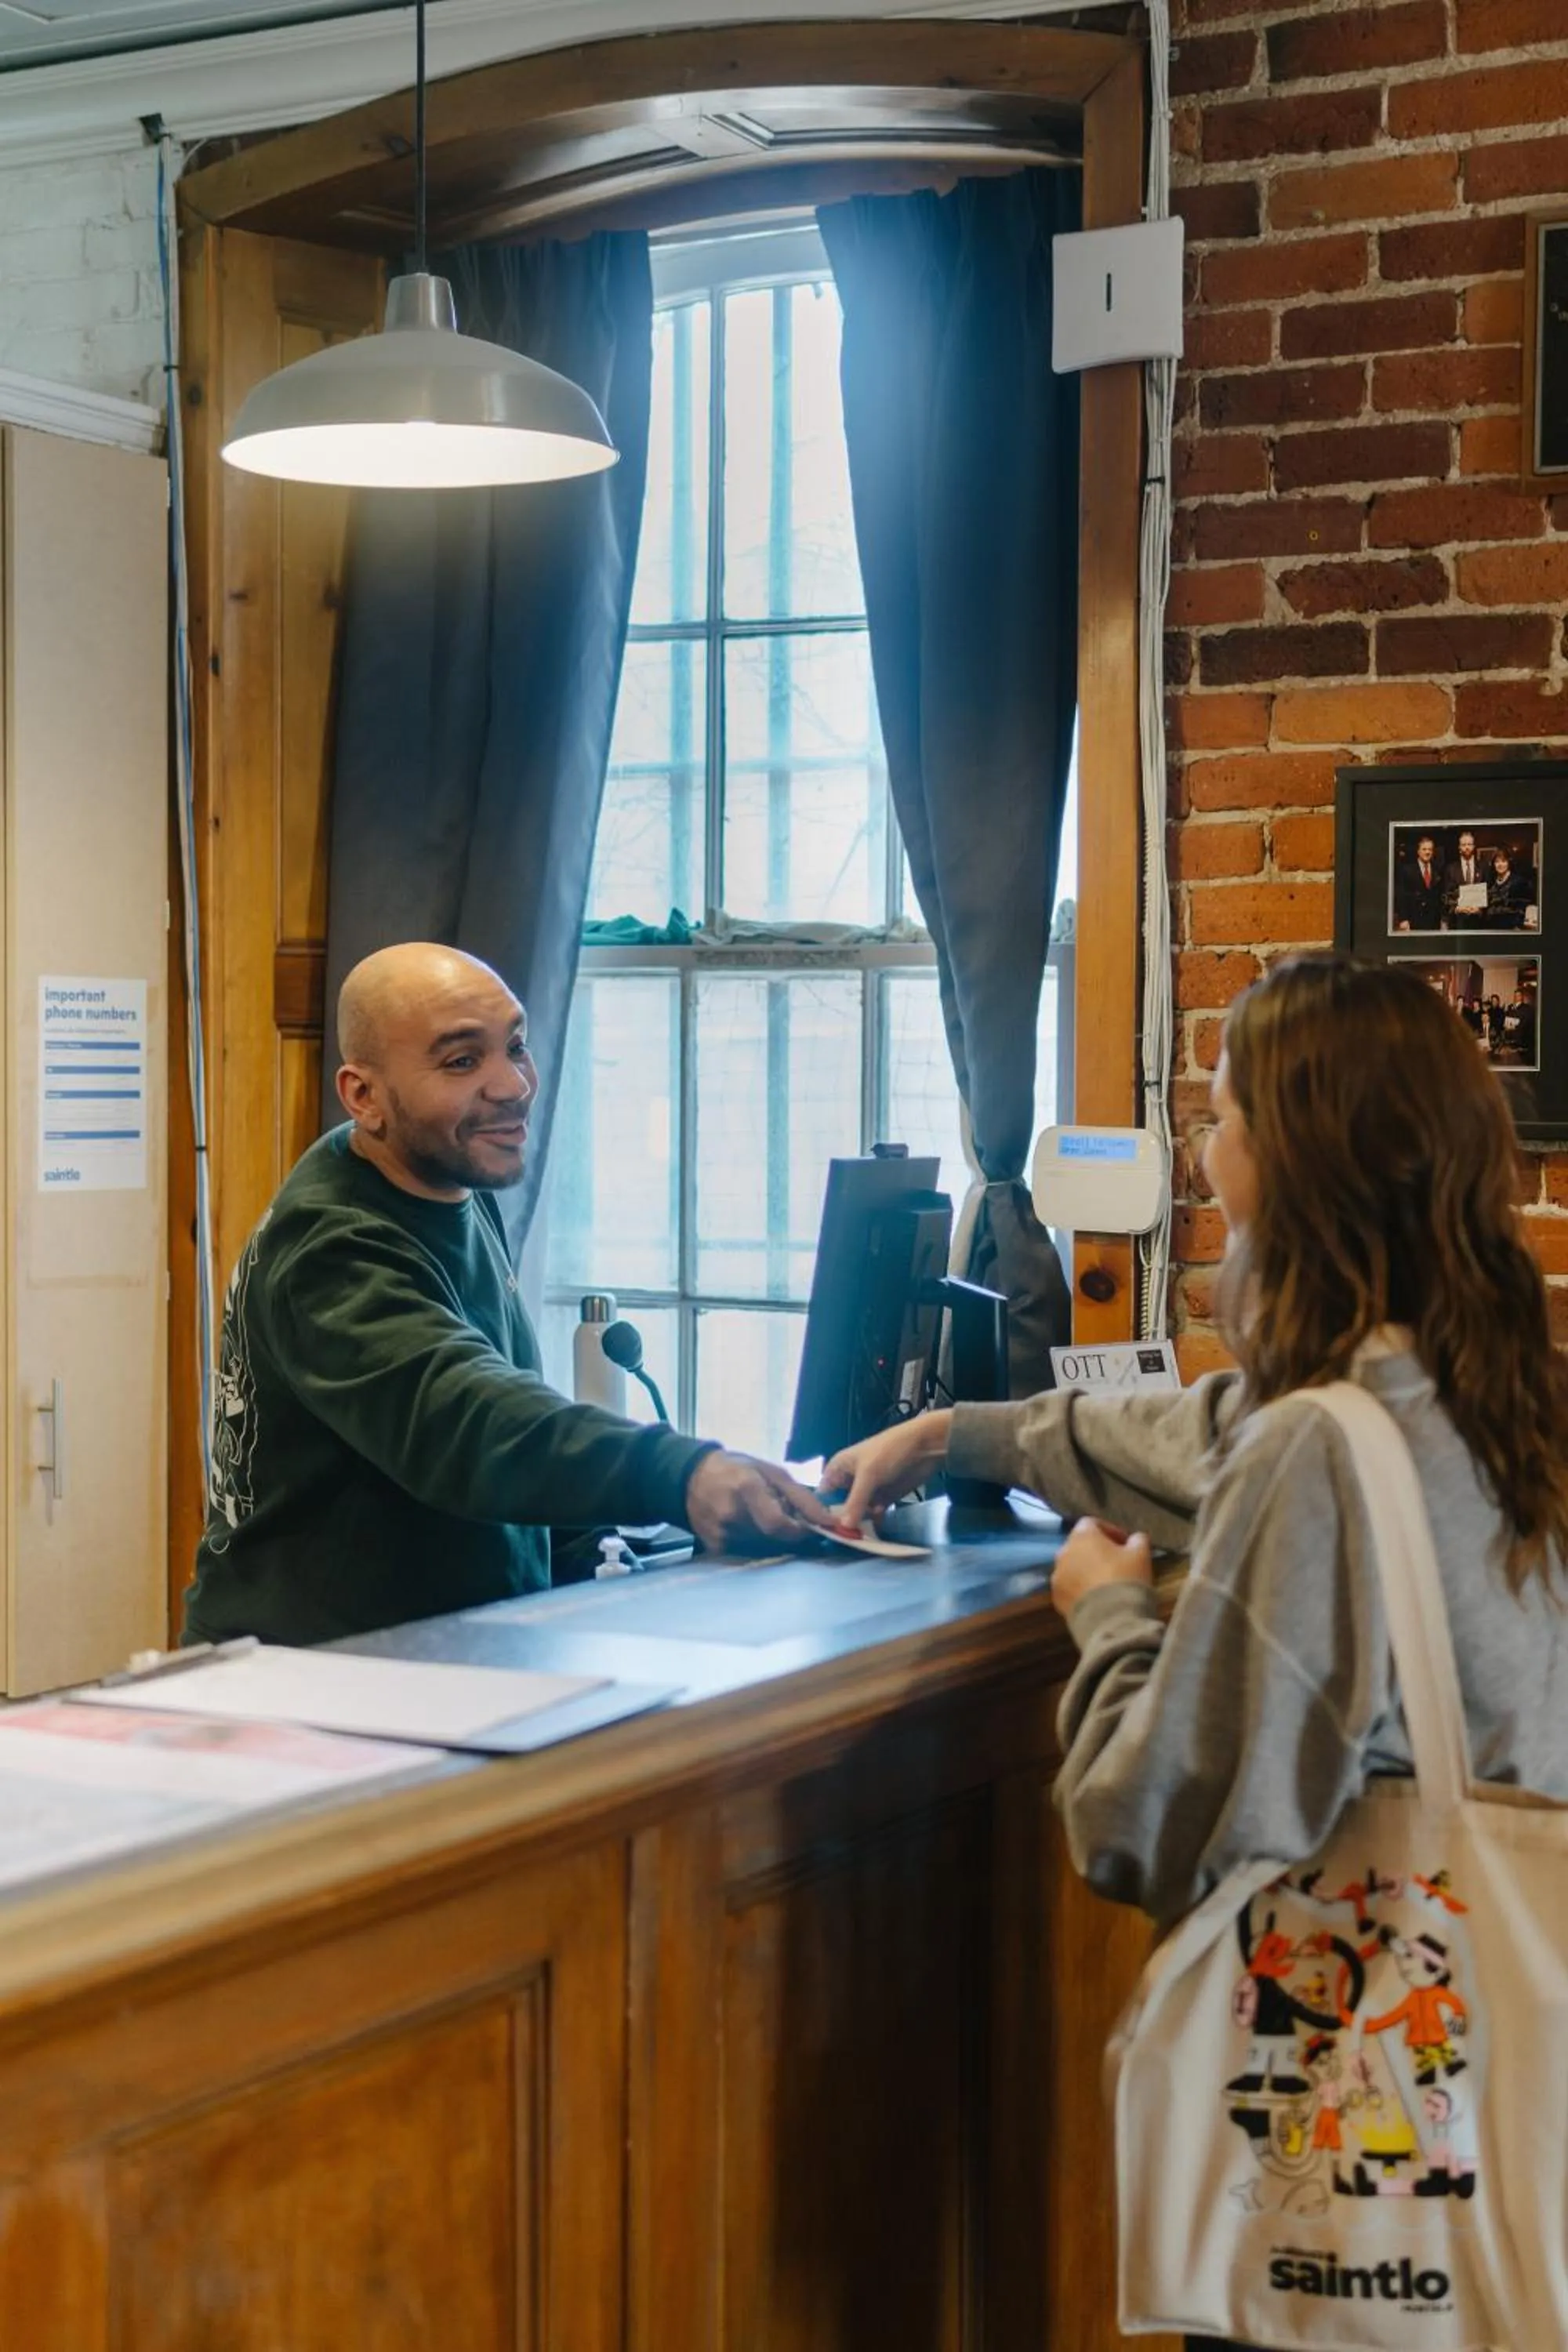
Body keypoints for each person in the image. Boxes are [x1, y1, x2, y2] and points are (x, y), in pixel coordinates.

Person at [822, 954, 1568, 2352]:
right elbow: (1200, 1435)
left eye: (1220, 1117)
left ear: (1290, 1164)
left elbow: (1142, 1823)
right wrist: (953, 1435)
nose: (1202, 1154)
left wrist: (1102, 1614)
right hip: (1495, 2092)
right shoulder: (1492, 1396)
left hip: (1349, 2129)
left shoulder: (1319, 1449)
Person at [185, 942, 830, 1647]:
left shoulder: (449, 1179)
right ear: (363, 1096)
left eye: (516, 1047)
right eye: (462, 1061)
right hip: (313, 1682)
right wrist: (680, 1473)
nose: (513, 1084)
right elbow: (467, 1420)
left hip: (443, 1652)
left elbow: (512, 1401)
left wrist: (604, 1557)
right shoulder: (331, 1247)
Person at [1392, 833, 1444, 931]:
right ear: (1418, 851)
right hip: (1414, 920)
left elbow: (1439, 896)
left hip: (1434, 921)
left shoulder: (1437, 870)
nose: (1427, 852)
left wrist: (1442, 919)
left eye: (1430, 849)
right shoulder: (1407, 870)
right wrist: (1403, 919)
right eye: (1424, 849)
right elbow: (1401, 895)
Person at [1442, 829, 1489, 927]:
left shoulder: (1483, 867)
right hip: (1458, 922)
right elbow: (1446, 894)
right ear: (1459, 847)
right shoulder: (1450, 869)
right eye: (1463, 845)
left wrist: (1481, 909)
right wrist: (1456, 908)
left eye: (1469, 844)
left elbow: (1489, 892)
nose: (1467, 847)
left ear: (1474, 846)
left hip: (1479, 922)